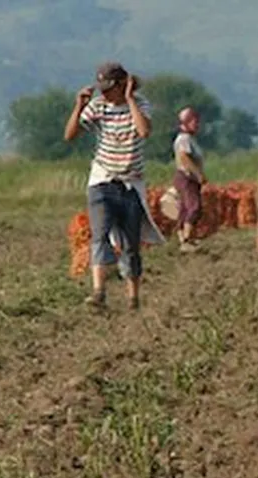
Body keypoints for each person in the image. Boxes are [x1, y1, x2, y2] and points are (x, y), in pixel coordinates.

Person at [63, 61, 163, 311]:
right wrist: (79, 106)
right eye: (102, 89)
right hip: (102, 180)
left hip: (130, 183)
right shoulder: (98, 107)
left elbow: (143, 131)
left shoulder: (140, 105)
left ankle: (133, 297)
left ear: (122, 85)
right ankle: (99, 291)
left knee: (131, 243)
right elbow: (70, 135)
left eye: (109, 88)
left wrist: (129, 99)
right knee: (100, 234)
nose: (104, 94)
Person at [172, 106, 207, 252]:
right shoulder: (184, 139)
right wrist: (198, 174)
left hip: (187, 178)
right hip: (186, 177)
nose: (197, 125)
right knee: (194, 206)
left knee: (185, 208)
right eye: (194, 122)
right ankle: (186, 239)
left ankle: (186, 238)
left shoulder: (189, 139)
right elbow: (184, 157)